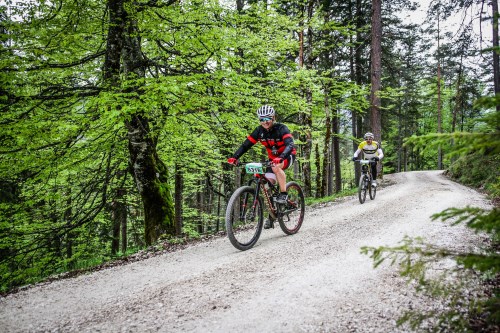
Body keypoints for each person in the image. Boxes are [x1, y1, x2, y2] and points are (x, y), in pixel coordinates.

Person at [227, 105, 296, 229]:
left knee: (276, 168)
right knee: (266, 186)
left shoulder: (282, 128)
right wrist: (235, 157)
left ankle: (284, 194)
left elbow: (290, 144)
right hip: (272, 160)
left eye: (268, 118)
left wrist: (282, 156)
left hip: (287, 156)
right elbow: (246, 145)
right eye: (262, 119)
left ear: (273, 117)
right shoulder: (259, 131)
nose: (265, 122)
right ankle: (272, 216)